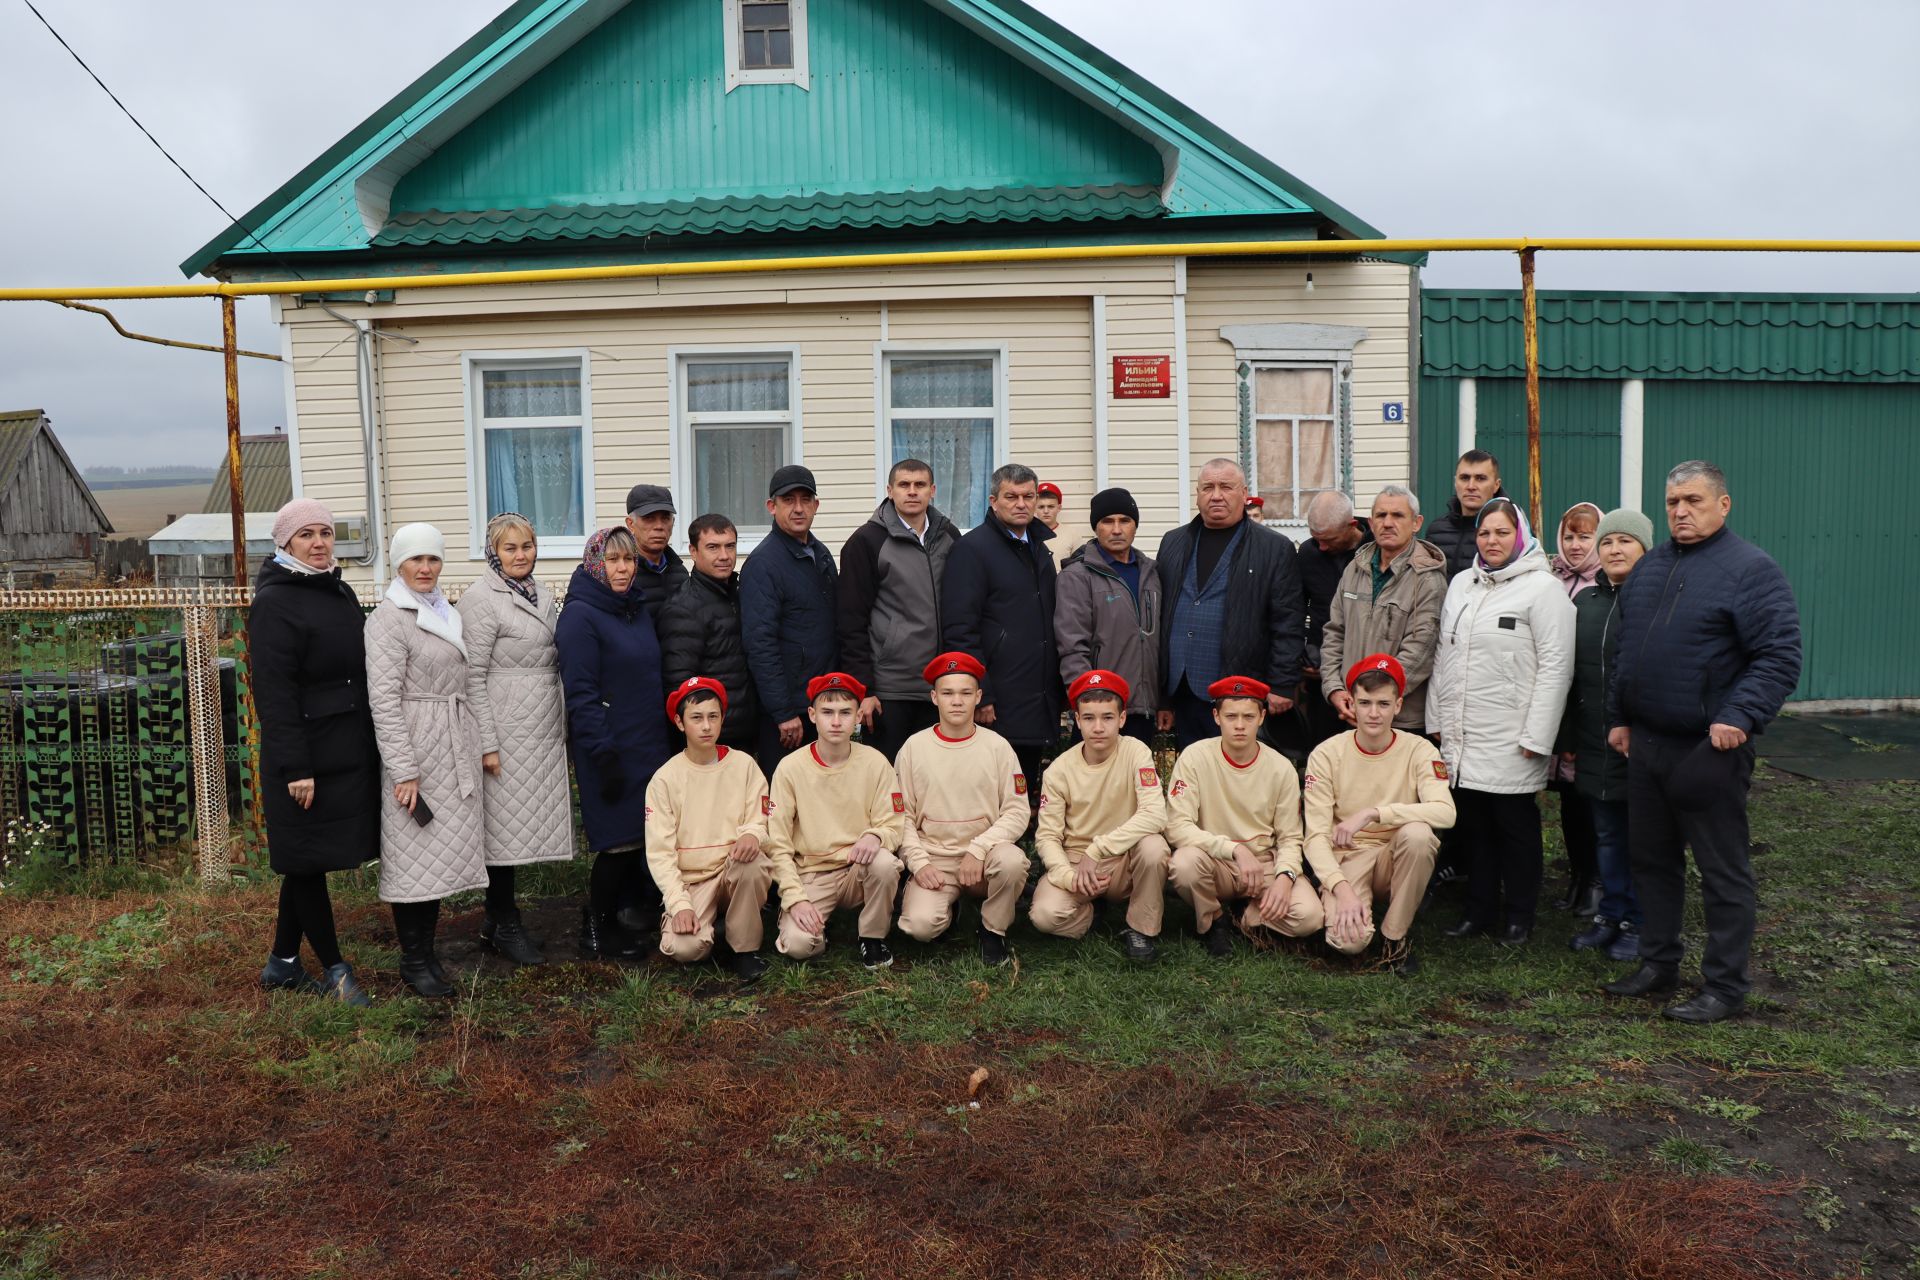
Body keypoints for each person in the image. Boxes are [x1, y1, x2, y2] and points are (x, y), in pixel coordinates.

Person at [1603, 461, 1801, 1024]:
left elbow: (1779, 655)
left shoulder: (1752, 570)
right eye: (1672, 503)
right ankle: (1658, 961)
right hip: (1647, 745)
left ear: (1723, 504)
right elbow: (1626, 650)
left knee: (1722, 869)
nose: (1681, 512)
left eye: (1692, 500)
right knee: (1652, 861)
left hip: (1709, 748)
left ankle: (1725, 986)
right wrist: (1619, 716)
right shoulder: (1651, 567)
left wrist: (1739, 715)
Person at [1429, 498, 1575, 947]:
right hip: (1463, 733)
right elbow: (1443, 655)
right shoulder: (1461, 585)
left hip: (1512, 736)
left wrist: (1538, 735)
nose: (1492, 541)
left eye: (1501, 532)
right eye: (1485, 533)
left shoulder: (1542, 589)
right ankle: (1479, 909)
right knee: (1474, 825)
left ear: (1521, 536)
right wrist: (1437, 719)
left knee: (1515, 827)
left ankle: (1519, 915)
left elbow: (1557, 667)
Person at [249, 499, 376, 1006]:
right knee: (304, 860)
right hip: (301, 757)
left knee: (308, 858)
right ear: (285, 544)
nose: (320, 542)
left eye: (326, 532)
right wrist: (296, 767)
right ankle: (335, 970)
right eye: (306, 535)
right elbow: (275, 694)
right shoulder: (275, 602)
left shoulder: (336, 589)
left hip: (342, 748)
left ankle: (282, 963)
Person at [363, 523, 489, 997]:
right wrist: (404, 768)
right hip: (416, 747)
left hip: (452, 740)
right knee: (413, 854)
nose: (425, 568)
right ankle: (413, 958)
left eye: (433, 559)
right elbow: (384, 699)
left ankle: (428, 952)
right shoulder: (388, 619)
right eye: (416, 559)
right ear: (399, 564)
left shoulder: (446, 611)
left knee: (437, 856)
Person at [456, 512, 575, 967]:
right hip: (505, 728)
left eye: (526, 546)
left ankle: (496, 920)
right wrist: (486, 741)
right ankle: (504, 921)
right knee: (502, 830)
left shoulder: (542, 594)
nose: (520, 555)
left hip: (541, 726)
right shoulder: (481, 600)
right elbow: (472, 676)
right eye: (510, 548)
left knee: (519, 827)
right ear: (494, 553)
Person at [555, 526, 674, 961]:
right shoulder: (580, 616)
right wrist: (601, 752)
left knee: (642, 837)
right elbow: (581, 692)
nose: (623, 569)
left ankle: (621, 921)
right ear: (595, 564)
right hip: (609, 747)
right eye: (613, 561)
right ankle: (595, 926)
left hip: (647, 743)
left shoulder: (633, 608)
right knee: (617, 843)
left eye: (629, 561)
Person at [1302, 655, 1457, 975]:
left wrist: (1374, 813)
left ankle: (1394, 938)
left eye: (1384, 704)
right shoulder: (1327, 753)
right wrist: (1340, 890)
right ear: (1351, 704)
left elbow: (1445, 812)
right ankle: (1344, 910)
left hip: (1394, 855)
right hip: (1347, 857)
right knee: (1349, 943)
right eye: (1365, 702)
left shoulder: (1420, 750)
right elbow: (1315, 836)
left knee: (1418, 834)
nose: (1374, 713)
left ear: (1399, 706)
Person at [1166, 676, 1320, 957]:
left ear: (1262, 716)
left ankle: (1246, 916)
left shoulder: (1280, 767)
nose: (1239, 725)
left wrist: (1286, 877)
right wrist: (1234, 849)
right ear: (1216, 716)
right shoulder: (1194, 757)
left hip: (1264, 865)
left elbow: (1290, 837)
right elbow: (1177, 827)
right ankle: (1213, 922)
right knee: (1184, 864)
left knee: (1310, 917)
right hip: (1216, 862)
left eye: (1248, 716)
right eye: (1231, 716)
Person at [1156, 459, 1305, 749]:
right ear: (1198, 494)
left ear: (1244, 493)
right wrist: (1164, 695)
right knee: (1195, 775)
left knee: (1240, 777)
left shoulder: (1274, 548)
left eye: (1226, 487)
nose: (1216, 495)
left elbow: (1288, 621)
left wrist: (1282, 684)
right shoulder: (1172, 542)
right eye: (1207, 487)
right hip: (1183, 688)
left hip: (1242, 690)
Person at [1559, 508, 1654, 963]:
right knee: (1606, 835)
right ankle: (1610, 915)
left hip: (1639, 742)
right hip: (1594, 737)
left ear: (1644, 549)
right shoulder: (1585, 604)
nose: (1615, 550)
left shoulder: (1653, 600)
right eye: (1609, 542)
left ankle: (1639, 921)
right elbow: (1571, 677)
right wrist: (1569, 736)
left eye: (1625, 542)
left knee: (1639, 837)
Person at [894, 652, 1031, 966]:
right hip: (935, 858)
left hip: (984, 856)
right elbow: (901, 817)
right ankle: (948, 909)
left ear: (978, 697)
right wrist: (918, 863)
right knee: (920, 927)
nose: (957, 701)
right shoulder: (914, 748)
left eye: (966, 693)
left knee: (1012, 862)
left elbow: (1017, 811)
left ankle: (992, 930)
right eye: (948, 693)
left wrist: (980, 848)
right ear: (934, 697)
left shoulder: (998, 747)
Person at [1029, 670, 1170, 963]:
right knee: (1044, 916)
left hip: (1123, 858)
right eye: (1089, 718)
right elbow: (1047, 836)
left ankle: (1140, 928)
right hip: (1077, 862)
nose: (1098, 727)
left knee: (1154, 847)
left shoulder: (1136, 752)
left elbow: (1155, 814)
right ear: (1077, 721)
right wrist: (1068, 877)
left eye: (1107, 717)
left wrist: (1100, 848)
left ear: (1121, 719)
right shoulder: (1059, 770)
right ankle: (1091, 912)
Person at [767, 673, 906, 969]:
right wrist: (794, 897)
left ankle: (872, 937)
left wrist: (876, 836)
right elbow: (777, 842)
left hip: (859, 867)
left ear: (857, 716)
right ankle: (818, 923)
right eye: (827, 713)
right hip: (812, 873)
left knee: (885, 863)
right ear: (812, 715)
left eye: (845, 713)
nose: (836, 722)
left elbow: (894, 823)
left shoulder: (875, 762)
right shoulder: (790, 768)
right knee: (800, 947)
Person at [940, 463, 1060, 798]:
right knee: (992, 788)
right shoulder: (972, 549)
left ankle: (1023, 845)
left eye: (1028, 496)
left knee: (1026, 787)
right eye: (1011, 496)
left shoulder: (1038, 547)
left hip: (1037, 691)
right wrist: (982, 692)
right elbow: (960, 628)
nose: (1021, 504)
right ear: (993, 501)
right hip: (999, 695)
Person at [646, 677, 775, 981]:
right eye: (696, 718)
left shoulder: (744, 765)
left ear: (721, 719)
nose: (706, 726)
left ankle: (744, 950)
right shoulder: (665, 779)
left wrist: (751, 834)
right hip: (693, 880)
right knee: (686, 950)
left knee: (753, 863)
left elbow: (763, 817)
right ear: (679, 723)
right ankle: (711, 926)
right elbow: (660, 852)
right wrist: (679, 904)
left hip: (732, 869)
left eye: (713, 717)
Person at [837, 459, 962, 760]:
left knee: (933, 779)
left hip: (940, 685)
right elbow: (850, 621)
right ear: (890, 490)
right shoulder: (867, 541)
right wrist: (864, 689)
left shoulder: (949, 536)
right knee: (889, 780)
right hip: (889, 690)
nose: (912, 492)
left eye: (920, 485)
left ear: (932, 490)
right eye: (904, 485)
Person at [1320, 485, 1446, 734]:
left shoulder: (1427, 579)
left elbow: (1420, 650)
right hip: (1350, 711)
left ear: (1416, 523)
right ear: (1371, 522)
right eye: (1381, 515)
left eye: (1398, 515)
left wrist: (1371, 702)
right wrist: (1334, 689)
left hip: (1400, 720)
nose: (1388, 523)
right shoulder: (1354, 568)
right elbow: (1334, 632)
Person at [740, 465, 839, 776]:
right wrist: (783, 713)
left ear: (816, 505)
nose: (798, 508)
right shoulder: (763, 564)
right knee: (786, 800)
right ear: (772, 506)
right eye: (788, 500)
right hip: (788, 716)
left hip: (822, 705)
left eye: (805, 499)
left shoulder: (819, 553)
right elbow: (760, 644)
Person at [1054, 486, 1162, 744]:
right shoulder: (1077, 576)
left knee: (1135, 783)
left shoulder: (1152, 573)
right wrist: (1089, 699)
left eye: (1124, 521)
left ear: (1135, 526)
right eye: (1107, 521)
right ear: (1096, 527)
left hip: (1143, 709)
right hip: (1099, 709)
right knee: (1092, 782)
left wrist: (1162, 701)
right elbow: (1071, 645)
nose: (1116, 529)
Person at [1547, 502, 1606, 917]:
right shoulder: (1551, 579)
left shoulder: (1605, 585)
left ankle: (1597, 879)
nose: (1575, 545)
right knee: (1568, 801)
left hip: (1587, 714)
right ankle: (1578, 873)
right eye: (1569, 536)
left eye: (1584, 536)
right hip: (1556, 711)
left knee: (1590, 801)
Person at [658, 513, 758, 751]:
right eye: (713, 547)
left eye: (730, 546)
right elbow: (678, 686)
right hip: (709, 739)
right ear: (693, 552)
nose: (724, 556)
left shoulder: (739, 593)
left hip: (745, 733)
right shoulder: (683, 607)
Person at [1296, 491, 1373, 742]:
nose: (1322, 547)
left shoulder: (1376, 551)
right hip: (1321, 674)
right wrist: (1305, 649)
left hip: (1369, 672)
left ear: (1352, 526)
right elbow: (1295, 608)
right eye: (1315, 538)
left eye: (1329, 539)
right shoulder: (1308, 554)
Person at [1427, 450, 1508, 582]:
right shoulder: (1437, 531)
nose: (1471, 486)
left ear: (1496, 485)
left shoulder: (1514, 530)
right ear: (1455, 482)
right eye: (1464, 478)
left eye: (1480, 478)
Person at [624, 483, 687, 619]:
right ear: (630, 524)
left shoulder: (680, 572)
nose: (659, 526)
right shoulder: (621, 574)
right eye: (649, 518)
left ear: (673, 522)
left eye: (665, 518)